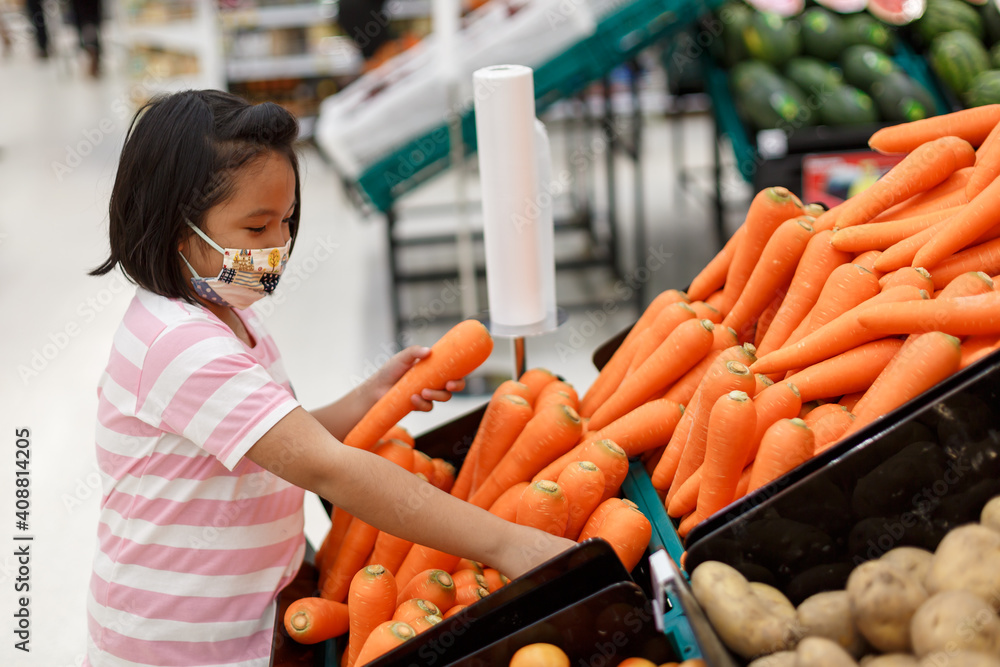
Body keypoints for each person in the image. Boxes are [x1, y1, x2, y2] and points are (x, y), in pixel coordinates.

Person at [84, 89, 574, 667]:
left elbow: (268, 441)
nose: (280, 246)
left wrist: (370, 398)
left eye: (287, 220)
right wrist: (508, 542)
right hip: (178, 645)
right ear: (177, 229)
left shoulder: (228, 313)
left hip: (252, 616)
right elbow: (327, 467)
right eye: (256, 226)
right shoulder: (182, 348)